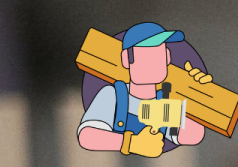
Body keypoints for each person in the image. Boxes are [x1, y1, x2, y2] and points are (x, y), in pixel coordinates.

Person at [77, 22, 212, 157]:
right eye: (146, 55)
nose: (155, 62)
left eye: (159, 54)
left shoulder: (165, 101)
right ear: (126, 59)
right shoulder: (113, 95)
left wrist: (196, 93)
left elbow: (193, 136)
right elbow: (86, 136)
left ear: (167, 57)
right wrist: (131, 143)